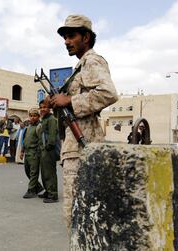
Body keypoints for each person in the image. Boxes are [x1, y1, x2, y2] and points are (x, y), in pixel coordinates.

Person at [47, 15, 118, 232]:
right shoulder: (80, 66)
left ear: (86, 37)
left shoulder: (92, 61)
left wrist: (69, 100)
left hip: (83, 145)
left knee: (79, 215)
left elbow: (108, 93)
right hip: (74, 146)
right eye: (65, 37)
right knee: (77, 213)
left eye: (71, 36)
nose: (66, 41)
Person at [38, 100, 59, 203]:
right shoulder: (44, 120)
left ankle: (53, 194)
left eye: (45, 107)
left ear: (49, 108)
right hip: (44, 150)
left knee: (50, 173)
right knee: (44, 172)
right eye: (41, 107)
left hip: (49, 150)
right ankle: (48, 191)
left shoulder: (51, 119)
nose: (42, 109)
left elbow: (52, 136)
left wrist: (48, 147)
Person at [20, 108, 44, 199]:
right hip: (27, 153)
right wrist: (22, 151)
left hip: (34, 153)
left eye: (35, 116)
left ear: (38, 117)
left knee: (34, 173)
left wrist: (37, 152)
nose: (32, 118)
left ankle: (31, 190)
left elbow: (40, 141)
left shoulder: (39, 127)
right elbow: (25, 140)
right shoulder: (28, 127)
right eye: (31, 116)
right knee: (27, 172)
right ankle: (38, 187)